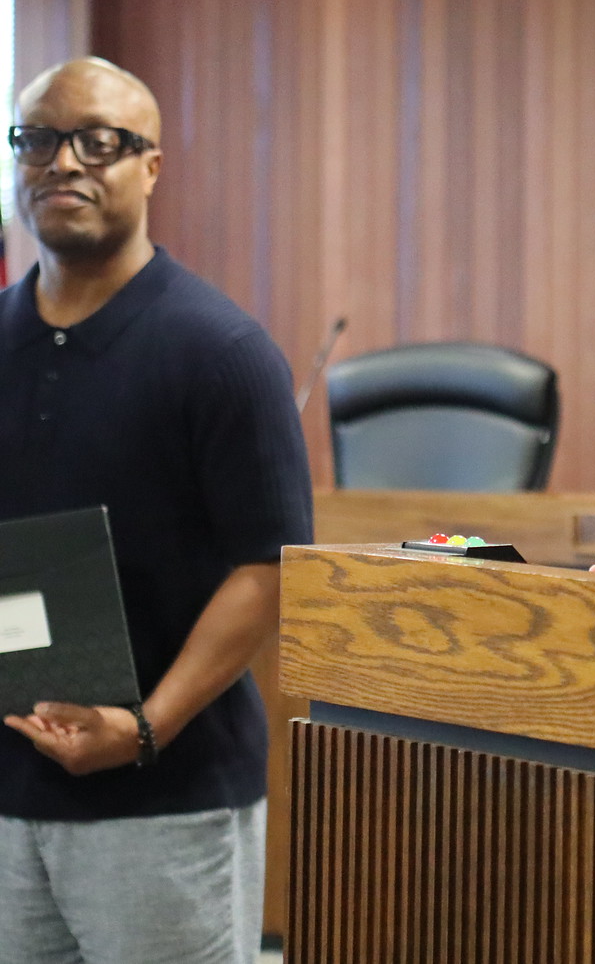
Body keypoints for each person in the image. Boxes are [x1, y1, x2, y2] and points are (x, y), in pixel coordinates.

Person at [0, 59, 312, 964]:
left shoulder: (222, 351)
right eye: (38, 140)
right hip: (9, 793)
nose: (65, 163)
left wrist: (144, 727)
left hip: (165, 801)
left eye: (99, 141)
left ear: (151, 167)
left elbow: (269, 566)